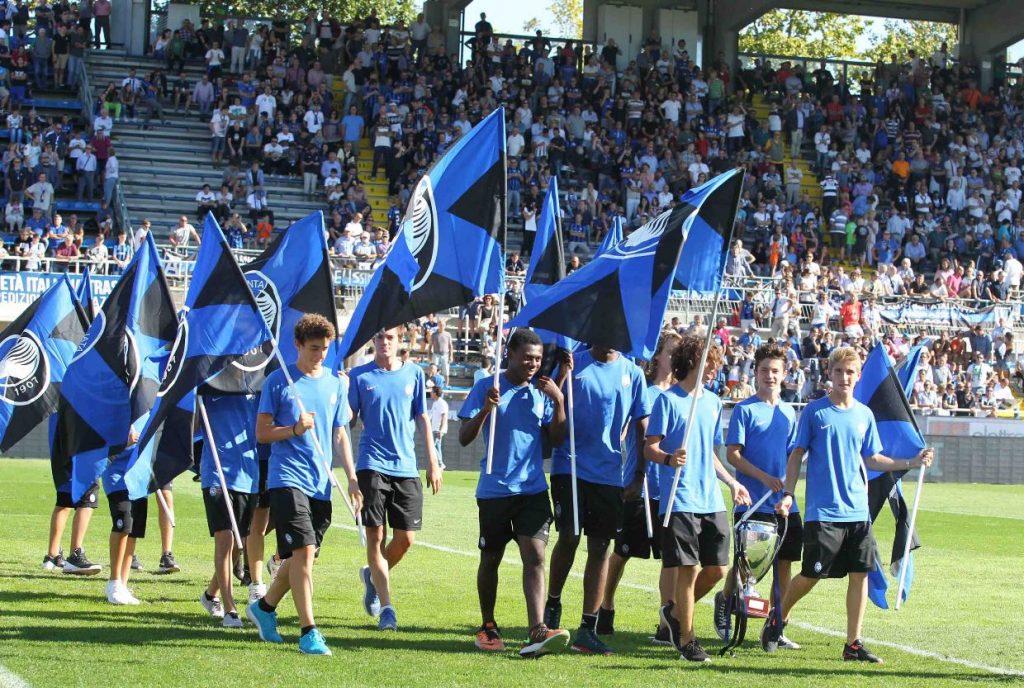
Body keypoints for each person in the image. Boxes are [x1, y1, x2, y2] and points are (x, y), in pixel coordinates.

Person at [763, 346, 934, 662]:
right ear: (830, 373)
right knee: (811, 575)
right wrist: (788, 493)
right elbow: (796, 454)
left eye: (850, 372)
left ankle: (853, 644)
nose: (844, 377)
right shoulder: (815, 412)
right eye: (839, 371)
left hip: (858, 512)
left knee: (861, 574)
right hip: (823, 512)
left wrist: (911, 460)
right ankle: (778, 617)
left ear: (857, 377)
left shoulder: (864, 415)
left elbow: (873, 458)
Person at [247, 314, 359, 655]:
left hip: (320, 482)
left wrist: (352, 478)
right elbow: (262, 434)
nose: (319, 355)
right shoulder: (279, 382)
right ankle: (309, 631)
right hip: (286, 478)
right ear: (297, 345)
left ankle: (264, 608)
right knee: (304, 553)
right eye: (313, 348)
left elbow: (340, 432)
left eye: (325, 349)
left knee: (299, 558)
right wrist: (294, 429)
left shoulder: (336, 384)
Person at [458, 329, 571, 656]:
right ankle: (488, 625)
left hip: (532, 490)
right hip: (494, 491)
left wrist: (559, 399)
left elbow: (558, 438)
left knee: (535, 556)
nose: (533, 364)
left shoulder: (540, 392)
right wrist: (485, 409)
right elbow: (464, 437)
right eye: (527, 358)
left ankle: (537, 629)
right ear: (510, 354)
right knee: (490, 558)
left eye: (537, 358)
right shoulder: (486, 386)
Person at [644, 336, 752, 662]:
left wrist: (732, 482)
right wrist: (668, 459)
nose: (713, 370)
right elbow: (650, 448)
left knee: (718, 569)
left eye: (716, 364)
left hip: (711, 498)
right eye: (709, 363)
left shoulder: (713, 403)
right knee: (687, 570)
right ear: (691, 362)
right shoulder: (667, 401)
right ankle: (687, 641)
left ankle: (675, 615)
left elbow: (712, 454)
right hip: (679, 497)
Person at [544, 344, 651, 655]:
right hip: (570, 466)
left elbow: (642, 425)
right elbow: (553, 419)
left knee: (601, 547)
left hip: (608, 474)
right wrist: (562, 382)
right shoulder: (572, 363)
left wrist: (638, 476)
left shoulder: (632, 372)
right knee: (569, 537)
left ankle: (587, 629)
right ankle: (552, 607)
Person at [350, 327, 443, 632]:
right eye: (378, 337)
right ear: (373, 341)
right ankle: (388, 608)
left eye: (390, 337)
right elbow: (348, 419)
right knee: (375, 538)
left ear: (400, 340)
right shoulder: (359, 376)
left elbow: (423, 418)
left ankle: (373, 576)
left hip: (406, 468)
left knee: (405, 539)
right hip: (371, 465)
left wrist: (433, 462)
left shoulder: (414, 374)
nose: (384, 342)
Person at [713, 343, 802, 649]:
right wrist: (764, 478)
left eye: (775, 371)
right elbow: (733, 455)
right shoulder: (744, 409)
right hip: (752, 502)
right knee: (745, 566)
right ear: (756, 372)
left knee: (785, 563)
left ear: (784, 374)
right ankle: (725, 600)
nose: (770, 376)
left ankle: (776, 624)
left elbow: (794, 457)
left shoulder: (790, 412)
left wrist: (789, 493)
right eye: (764, 370)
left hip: (785, 503)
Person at [598, 332, 681, 641]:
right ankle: (605, 607)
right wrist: (635, 475)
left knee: (671, 559)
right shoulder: (644, 390)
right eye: (671, 353)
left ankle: (665, 621)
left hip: (669, 491)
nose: (675, 359)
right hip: (641, 487)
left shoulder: (683, 395)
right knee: (622, 551)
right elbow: (633, 434)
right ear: (657, 357)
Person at [197, 393, 260, 629]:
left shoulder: (257, 381)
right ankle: (230, 609)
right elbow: (189, 425)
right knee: (224, 539)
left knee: (238, 543)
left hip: (247, 473)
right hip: (216, 471)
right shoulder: (208, 382)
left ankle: (210, 594)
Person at [103, 439, 146, 605]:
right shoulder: (118, 413)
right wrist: (124, 441)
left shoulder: (149, 415)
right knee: (123, 524)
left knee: (133, 530)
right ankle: (114, 582)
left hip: (139, 479)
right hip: (117, 476)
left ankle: (123, 583)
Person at [428, 386, 448, 471]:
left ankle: (440, 464)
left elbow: (444, 417)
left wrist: (441, 430)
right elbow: (431, 416)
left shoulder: (442, 403)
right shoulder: (435, 403)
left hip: (438, 430)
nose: (430, 393)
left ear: (435, 393)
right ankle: (440, 466)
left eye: (432, 392)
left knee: (432, 446)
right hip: (434, 429)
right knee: (437, 447)